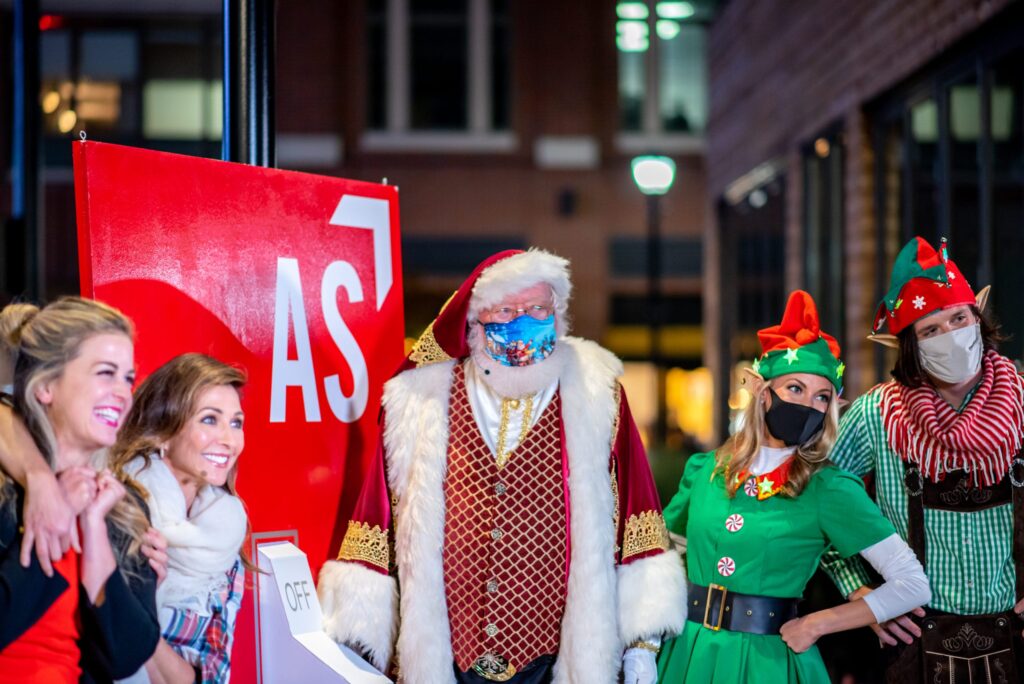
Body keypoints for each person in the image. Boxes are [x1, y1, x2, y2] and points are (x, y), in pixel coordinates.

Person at [318, 249, 686, 684]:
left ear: (557, 313)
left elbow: (636, 515)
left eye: (536, 309)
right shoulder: (420, 400)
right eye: (507, 310)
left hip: (555, 659)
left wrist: (641, 643)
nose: (523, 320)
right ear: (475, 321)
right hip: (447, 656)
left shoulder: (598, 394)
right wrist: (359, 631)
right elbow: (375, 515)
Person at [656, 290, 931, 683]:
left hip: (768, 664)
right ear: (763, 393)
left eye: (822, 397)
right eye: (795, 389)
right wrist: (642, 646)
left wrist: (819, 623)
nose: (810, 405)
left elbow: (912, 584)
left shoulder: (829, 488)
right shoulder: (705, 470)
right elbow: (659, 559)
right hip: (687, 654)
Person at [821, 236, 1024, 682]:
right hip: (913, 646)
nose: (951, 336)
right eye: (931, 330)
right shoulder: (876, 414)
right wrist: (862, 595)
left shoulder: (1023, 402)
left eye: (958, 318)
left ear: (978, 320)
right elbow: (822, 506)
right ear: (910, 344)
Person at [0, 297, 160, 683]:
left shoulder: (124, 506)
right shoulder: (7, 492)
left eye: (128, 378)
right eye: (105, 373)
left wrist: (93, 529)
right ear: (46, 387)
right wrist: (57, 510)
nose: (123, 393)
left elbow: (127, 655)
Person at [110, 353, 248, 684]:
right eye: (210, 420)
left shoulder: (225, 540)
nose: (229, 440)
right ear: (161, 433)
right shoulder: (116, 511)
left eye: (236, 422)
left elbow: (211, 677)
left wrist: (140, 616)